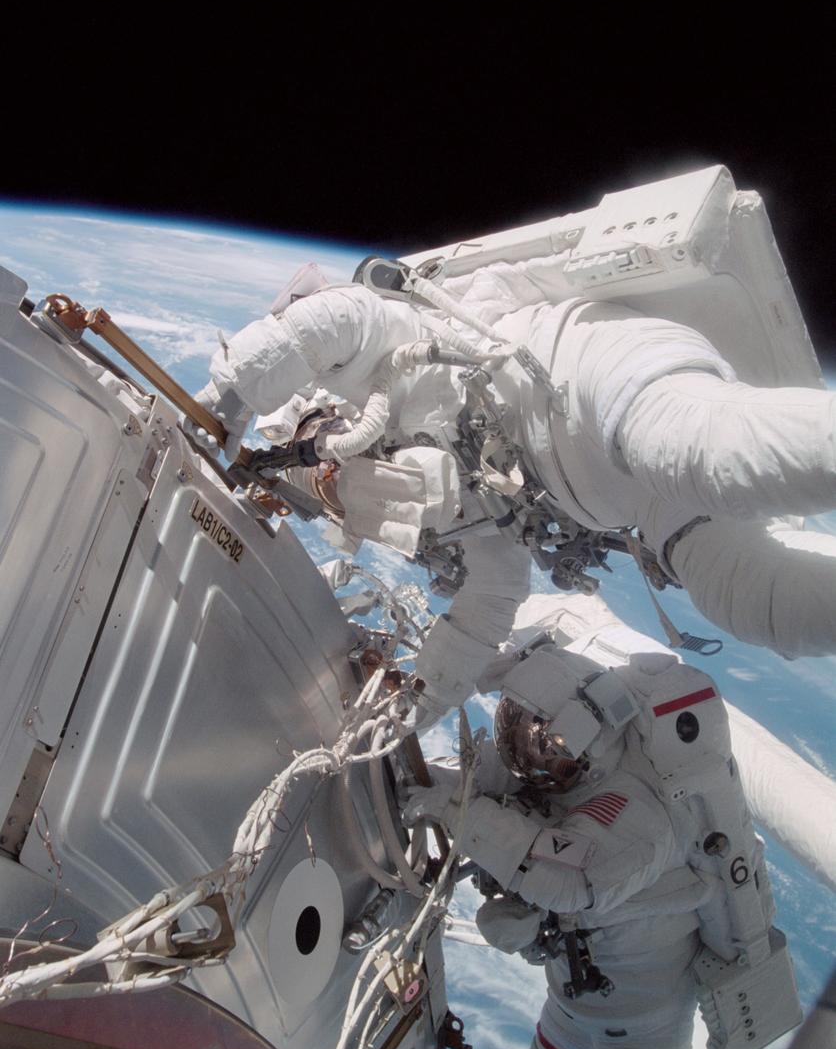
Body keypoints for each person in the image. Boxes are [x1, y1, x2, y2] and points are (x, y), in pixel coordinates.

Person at [183, 173, 836, 724]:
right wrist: (421, 702)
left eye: (313, 452)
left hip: (583, 378)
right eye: (319, 480)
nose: (323, 469)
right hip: (625, 499)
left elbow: (325, 322)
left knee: (714, 451)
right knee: (757, 605)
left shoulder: (377, 354)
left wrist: (219, 408)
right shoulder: (441, 505)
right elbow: (491, 599)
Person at [402, 594, 801, 1049]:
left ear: (587, 741)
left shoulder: (642, 809)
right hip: (573, 1005)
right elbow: (494, 778)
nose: (525, 756)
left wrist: (453, 810)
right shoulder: (557, 757)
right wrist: (426, 782)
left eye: (540, 745)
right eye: (516, 734)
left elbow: (569, 880)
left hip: (645, 1030)